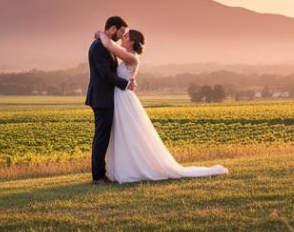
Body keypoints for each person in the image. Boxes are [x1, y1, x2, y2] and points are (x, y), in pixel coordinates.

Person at [94, 27, 228, 183]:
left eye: (125, 37)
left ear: (131, 42)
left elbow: (109, 46)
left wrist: (100, 34)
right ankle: (123, 168)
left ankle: (132, 169)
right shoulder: (129, 57)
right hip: (120, 97)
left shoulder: (132, 57)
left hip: (123, 99)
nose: (122, 39)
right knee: (122, 133)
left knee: (128, 133)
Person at [85, 16, 133, 184]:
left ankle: (102, 174)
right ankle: (98, 176)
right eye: (121, 32)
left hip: (105, 97)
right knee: (101, 136)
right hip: (101, 98)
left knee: (104, 136)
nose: (121, 36)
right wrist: (125, 84)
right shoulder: (98, 48)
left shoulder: (105, 45)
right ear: (112, 29)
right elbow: (105, 75)